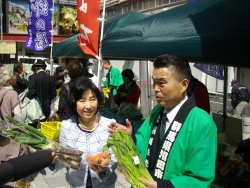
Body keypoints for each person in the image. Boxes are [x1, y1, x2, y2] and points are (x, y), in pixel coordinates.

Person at [108, 54, 217, 188]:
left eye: (162, 83)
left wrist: (163, 186)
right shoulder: (157, 110)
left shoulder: (202, 123)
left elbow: (199, 178)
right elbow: (144, 139)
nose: (155, 88)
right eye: (154, 82)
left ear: (183, 85)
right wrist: (131, 138)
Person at [50, 76, 118, 188]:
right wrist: (51, 160)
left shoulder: (110, 125)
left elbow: (115, 158)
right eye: (82, 100)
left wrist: (105, 168)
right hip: (75, 184)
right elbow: (64, 159)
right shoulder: (67, 127)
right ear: (74, 103)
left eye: (92, 99)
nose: (88, 106)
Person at [0, 65, 30, 188]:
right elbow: (18, 116)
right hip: (13, 134)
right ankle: (20, 183)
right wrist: (26, 132)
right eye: (12, 76)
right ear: (9, 79)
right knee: (19, 164)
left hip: (2, 134)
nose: (15, 78)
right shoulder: (12, 93)